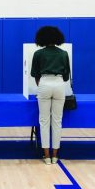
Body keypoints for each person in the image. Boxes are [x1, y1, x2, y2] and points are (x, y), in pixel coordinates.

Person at [31, 26, 70, 165]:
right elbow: (66, 76)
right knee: (57, 120)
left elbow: (35, 74)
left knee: (44, 120)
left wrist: (42, 84)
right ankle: (55, 155)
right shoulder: (63, 53)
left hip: (44, 83)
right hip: (59, 84)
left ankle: (46, 155)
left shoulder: (38, 54)